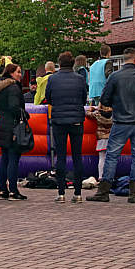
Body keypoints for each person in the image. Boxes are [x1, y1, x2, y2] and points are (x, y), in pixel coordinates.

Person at [88, 48, 135, 204]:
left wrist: (116, 103)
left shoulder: (115, 76)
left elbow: (105, 99)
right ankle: (133, 194)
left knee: (112, 156)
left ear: (124, 60)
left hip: (121, 121)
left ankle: (104, 191)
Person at [46, 52, 88, 203]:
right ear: (72, 63)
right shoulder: (80, 78)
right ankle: (78, 193)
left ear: (59, 63)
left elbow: (48, 97)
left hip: (59, 121)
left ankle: (61, 193)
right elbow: (84, 98)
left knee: (61, 156)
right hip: (76, 120)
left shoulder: (52, 79)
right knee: (77, 156)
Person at [0, 64, 28, 201]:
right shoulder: (13, 88)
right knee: (13, 158)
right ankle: (13, 190)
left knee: (4, 158)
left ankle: (3, 190)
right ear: (11, 73)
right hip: (13, 125)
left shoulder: (0, 88)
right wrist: (24, 115)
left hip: (2, 123)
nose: (20, 75)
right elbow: (14, 107)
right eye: (18, 72)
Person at [86, 104, 113, 180]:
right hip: (112, 138)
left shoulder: (97, 114)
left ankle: (101, 176)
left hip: (102, 138)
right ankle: (110, 177)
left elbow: (87, 113)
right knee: (111, 158)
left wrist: (92, 108)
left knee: (102, 158)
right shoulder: (114, 114)